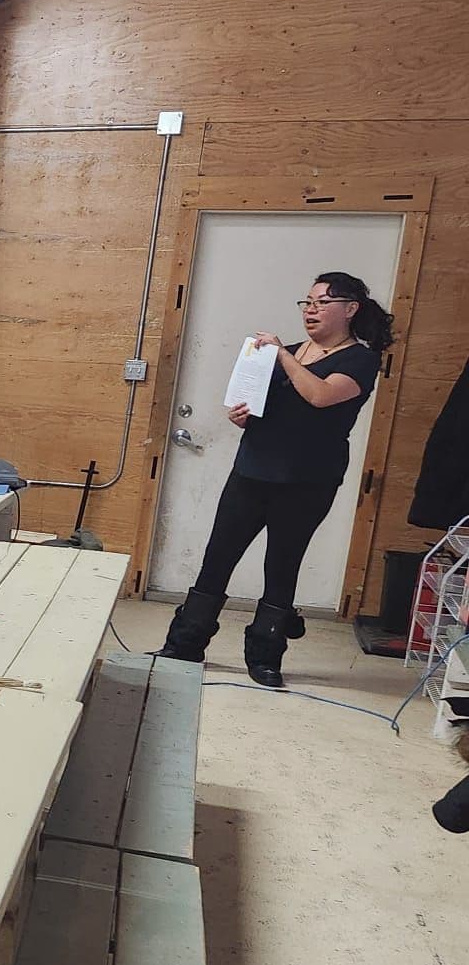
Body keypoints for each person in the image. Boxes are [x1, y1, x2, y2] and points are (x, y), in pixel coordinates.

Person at [157, 272, 393, 688]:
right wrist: (242, 415)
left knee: (282, 565)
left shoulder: (361, 358)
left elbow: (320, 396)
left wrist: (283, 354)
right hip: (252, 470)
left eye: (322, 302)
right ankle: (184, 644)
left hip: (307, 481)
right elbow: (264, 405)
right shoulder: (290, 352)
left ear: (350, 309)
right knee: (218, 557)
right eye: (307, 302)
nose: (311, 310)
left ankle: (265, 656)